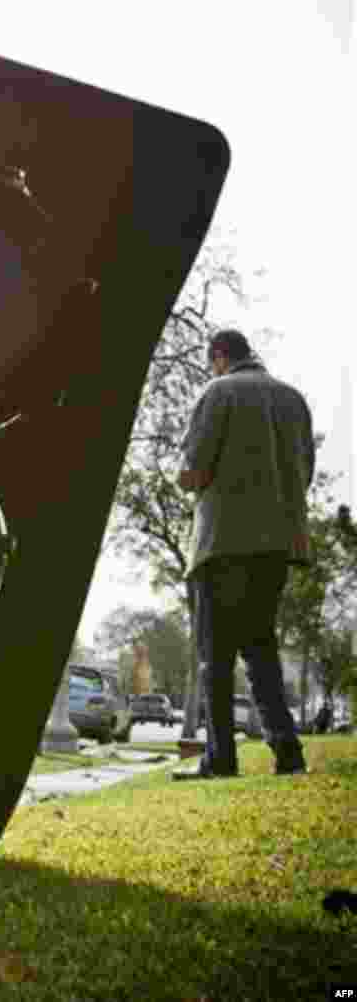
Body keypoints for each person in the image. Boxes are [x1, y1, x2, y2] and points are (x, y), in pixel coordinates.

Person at [173, 329, 313, 780]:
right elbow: (304, 473)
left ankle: (220, 759)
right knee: (260, 648)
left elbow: (192, 472)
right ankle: (287, 754)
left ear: (219, 356)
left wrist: (191, 478)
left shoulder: (219, 391)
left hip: (222, 544)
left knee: (215, 655)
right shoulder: (293, 399)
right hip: (276, 544)